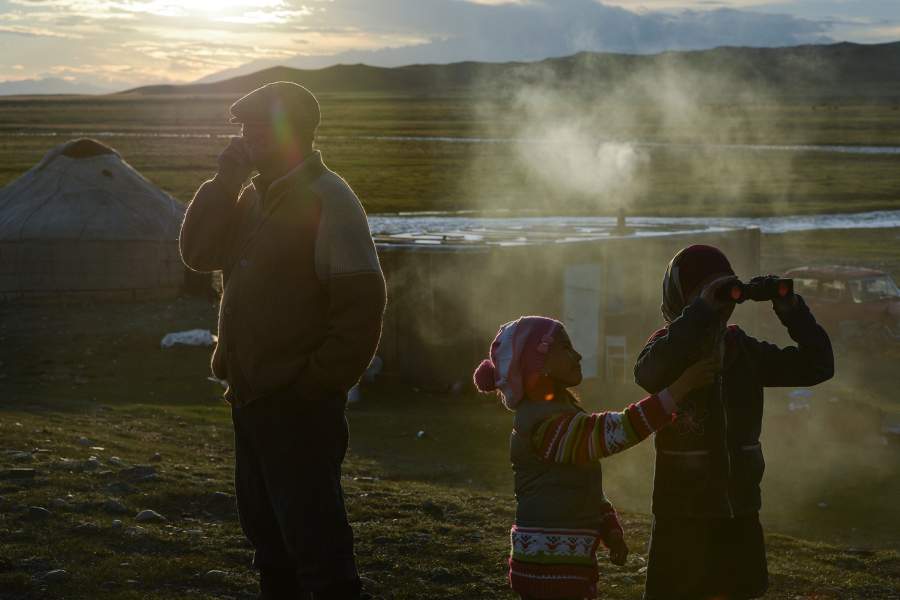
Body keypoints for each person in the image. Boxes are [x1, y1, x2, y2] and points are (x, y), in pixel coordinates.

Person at [179, 82, 386, 600]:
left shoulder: (329, 200)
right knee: (270, 545)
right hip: (251, 397)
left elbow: (361, 307)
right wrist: (225, 181)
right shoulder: (252, 197)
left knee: (317, 548)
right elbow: (198, 252)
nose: (244, 140)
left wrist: (315, 384)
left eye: (254, 129)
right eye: (243, 129)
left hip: (297, 402)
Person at [634, 244, 834, 600]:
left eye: (725, 291)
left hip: (740, 508)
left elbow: (817, 366)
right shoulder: (667, 346)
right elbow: (648, 375)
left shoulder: (742, 350)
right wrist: (698, 315)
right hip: (682, 514)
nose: (721, 304)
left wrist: (791, 310)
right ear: (682, 300)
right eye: (707, 294)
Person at [472, 316, 715, 600]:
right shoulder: (542, 426)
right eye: (565, 347)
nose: (578, 355)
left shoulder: (561, 414)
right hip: (548, 570)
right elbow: (609, 432)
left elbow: (580, 486)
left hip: (565, 564)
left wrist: (609, 528)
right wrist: (677, 391)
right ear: (537, 363)